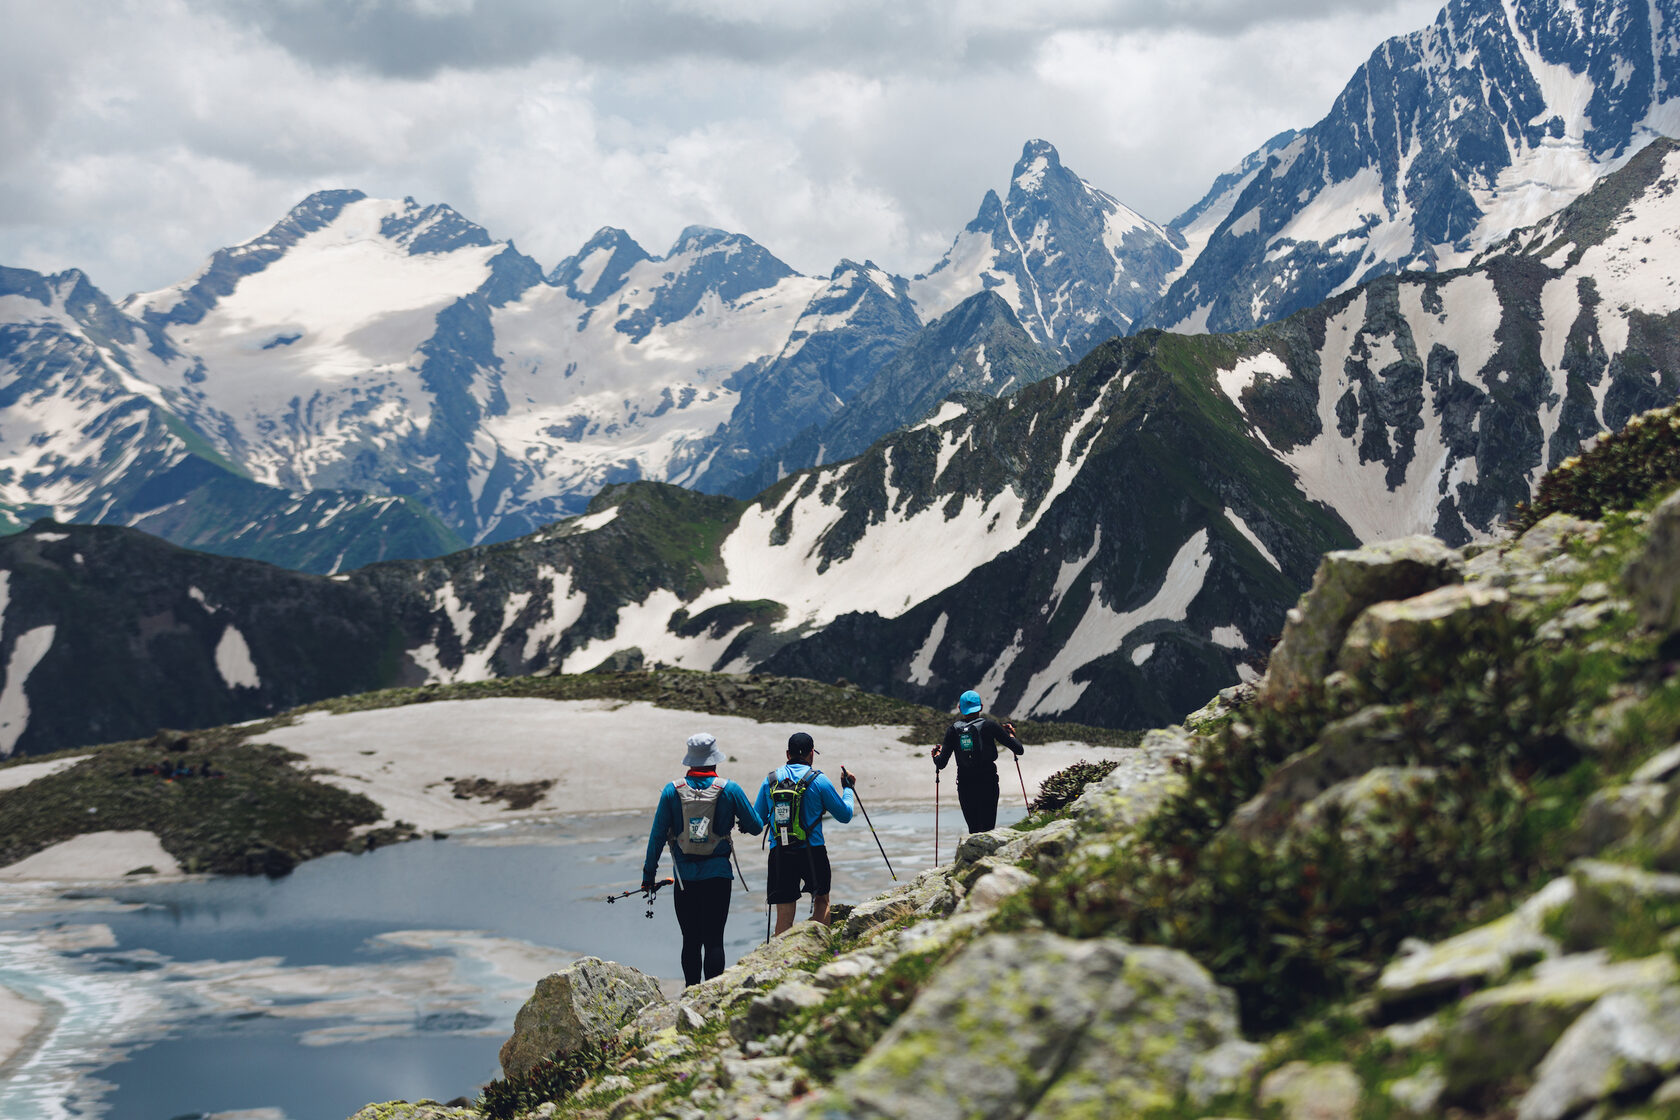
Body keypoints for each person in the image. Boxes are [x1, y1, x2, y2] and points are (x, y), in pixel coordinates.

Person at [643, 732, 764, 986]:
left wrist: (648, 876)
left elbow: (656, 837)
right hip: (718, 875)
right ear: (714, 760)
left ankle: (690, 993)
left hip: (685, 878)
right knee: (714, 940)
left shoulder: (671, 791)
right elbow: (755, 826)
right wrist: (740, 822)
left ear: (690, 761)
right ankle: (712, 996)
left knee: (690, 940)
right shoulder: (730, 789)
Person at [753, 732, 855, 935]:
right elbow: (845, 815)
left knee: (784, 911)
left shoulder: (771, 780)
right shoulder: (819, 780)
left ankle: (781, 960)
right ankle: (819, 951)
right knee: (821, 900)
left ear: (787, 754)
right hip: (813, 850)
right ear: (812, 754)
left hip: (780, 852)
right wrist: (848, 789)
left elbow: (758, 820)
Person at [931, 689, 1023, 833]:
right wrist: (1010, 735)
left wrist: (936, 755)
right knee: (988, 828)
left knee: (974, 829)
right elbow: (1019, 749)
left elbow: (941, 763)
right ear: (980, 707)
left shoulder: (953, 730)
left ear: (960, 708)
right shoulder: (990, 725)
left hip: (965, 785)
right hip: (988, 782)